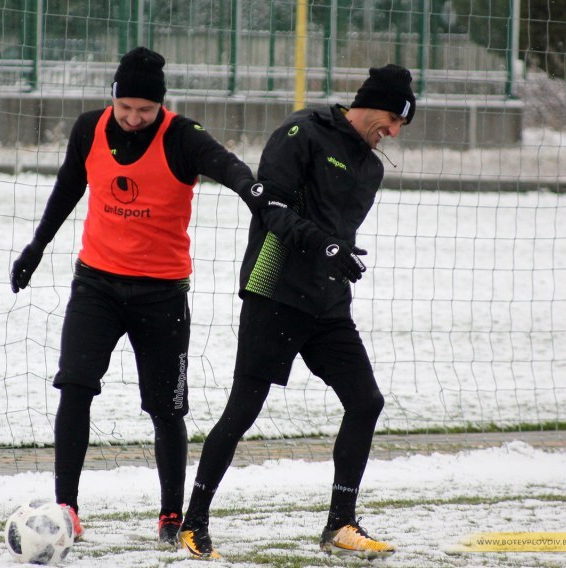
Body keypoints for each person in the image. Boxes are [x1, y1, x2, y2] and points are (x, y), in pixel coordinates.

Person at [10, 46, 266, 548]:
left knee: (166, 409)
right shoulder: (89, 128)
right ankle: (68, 511)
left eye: (144, 111)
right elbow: (67, 188)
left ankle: (172, 515)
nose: (132, 118)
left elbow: (230, 167)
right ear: (113, 98)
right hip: (95, 286)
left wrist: (258, 196)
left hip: (161, 295)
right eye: (125, 107)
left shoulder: (182, 137)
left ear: (160, 107)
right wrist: (36, 248)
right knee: (75, 387)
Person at [177, 64, 417, 560]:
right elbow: (272, 210)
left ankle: (340, 525)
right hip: (275, 293)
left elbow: (336, 232)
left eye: (399, 127)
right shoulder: (300, 133)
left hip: (327, 305)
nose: (392, 133)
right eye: (391, 119)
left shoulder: (371, 168)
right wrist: (327, 248)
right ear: (368, 104)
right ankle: (192, 523)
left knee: (366, 401)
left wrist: (337, 256)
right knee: (242, 412)